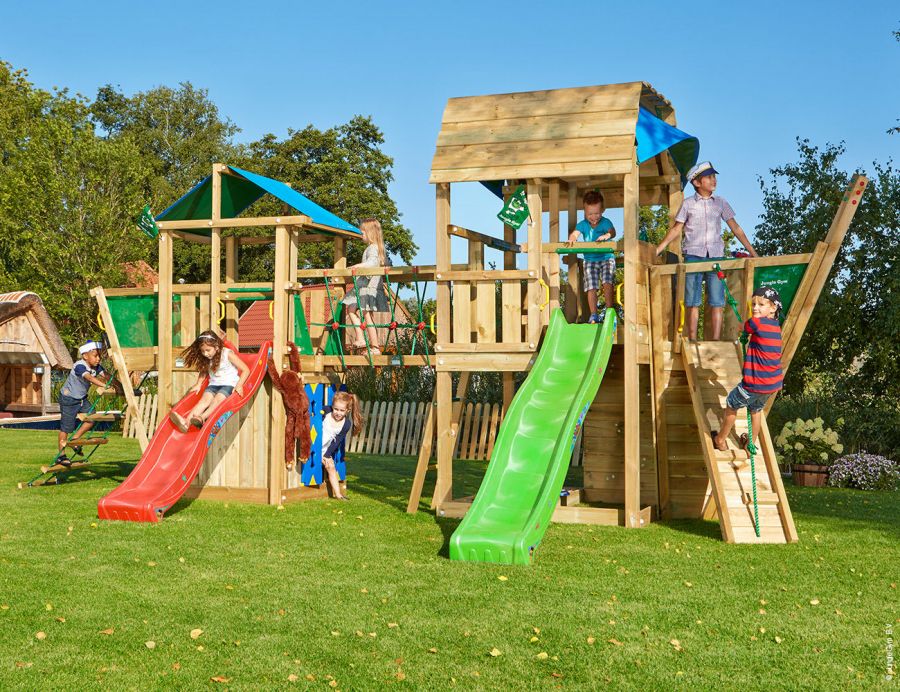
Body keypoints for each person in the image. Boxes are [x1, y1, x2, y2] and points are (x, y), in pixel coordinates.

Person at [655, 161, 758, 340]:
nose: (714, 180)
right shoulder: (688, 204)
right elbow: (676, 229)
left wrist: (753, 251)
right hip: (693, 256)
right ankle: (693, 340)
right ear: (697, 182)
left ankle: (716, 340)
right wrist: (658, 249)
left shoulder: (720, 202)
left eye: (714, 177)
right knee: (692, 301)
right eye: (709, 177)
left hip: (715, 256)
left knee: (717, 301)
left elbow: (735, 228)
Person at [712, 287, 784, 456]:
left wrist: (742, 331)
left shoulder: (756, 322)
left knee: (731, 405)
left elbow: (744, 326)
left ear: (773, 308)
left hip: (754, 384)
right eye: (753, 304)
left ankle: (720, 440)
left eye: (761, 304)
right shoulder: (775, 327)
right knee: (756, 410)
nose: (755, 308)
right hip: (771, 385)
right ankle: (750, 444)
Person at [169, 330, 250, 433]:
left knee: (217, 400)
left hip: (229, 384)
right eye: (203, 351)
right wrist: (198, 384)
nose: (205, 354)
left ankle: (202, 418)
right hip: (214, 384)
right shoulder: (207, 358)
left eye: (208, 350)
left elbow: (246, 369)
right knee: (203, 401)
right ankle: (186, 422)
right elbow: (203, 371)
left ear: (216, 346)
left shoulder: (227, 354)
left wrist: (239, 385)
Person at [56, 341, 117, 467]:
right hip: (69, 399)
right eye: (95, 356)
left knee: (91, 418)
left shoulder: (97, 367)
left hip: (82, 398)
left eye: (99, 356)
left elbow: (108, 376)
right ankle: (61, 456)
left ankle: (75, 440)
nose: (98, 359)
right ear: (85, 356)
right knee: (66, 428)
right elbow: (88, 377)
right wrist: (104, 385)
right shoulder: (79, 366)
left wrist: (120, 386)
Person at [566, 191, 618, 324]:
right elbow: (575, 233)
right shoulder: (583, 224)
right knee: (591, 287)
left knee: (607, 282)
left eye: (597, 213)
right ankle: (594, 314)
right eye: (590, 214)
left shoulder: (605, 222)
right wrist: (572, 238)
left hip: (606, 257)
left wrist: (607, 235)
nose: (594, 217)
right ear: (584, 212)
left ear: (602, 210)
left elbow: (612, 231)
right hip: (590, 260)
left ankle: (609, 311)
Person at [342, 218, 390, 354]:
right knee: (351, 308)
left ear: (370, 233)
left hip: (369, 287)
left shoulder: (373, 248)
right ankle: (360, 337)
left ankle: (375, 347)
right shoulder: (375, 248)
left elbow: (372, 263)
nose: (361, 235)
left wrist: (358, 266)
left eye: (362, 232)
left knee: (367, 315)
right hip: (366, 286)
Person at [320, 391, 364, 500]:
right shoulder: (327, 411)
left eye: (341, 410)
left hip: (325, 448)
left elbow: (337, 441)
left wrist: (326, 455)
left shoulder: (346, 424)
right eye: (336, 409)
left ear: (347, 411)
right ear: (332, 407)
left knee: (331, 466)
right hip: (314, 444)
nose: (338, 413)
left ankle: (339, 495)